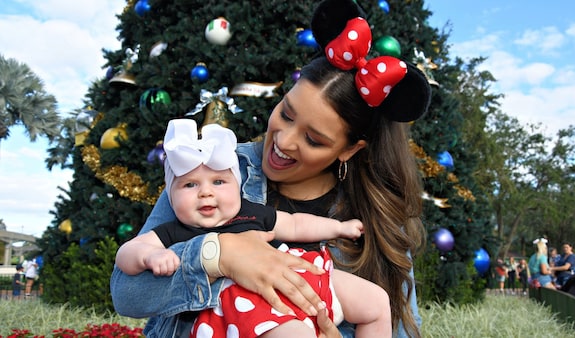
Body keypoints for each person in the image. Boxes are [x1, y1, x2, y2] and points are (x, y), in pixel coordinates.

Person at [110, 0, 432, 337]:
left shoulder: (375, 216)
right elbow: (127, 291)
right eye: (287, 113)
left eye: (313, 140)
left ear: (350, 149)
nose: (284, 140)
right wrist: (218, 255)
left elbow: (399, 325)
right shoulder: (214, 169)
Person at [116, 121, 391, 337]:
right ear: (170, 196)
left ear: (237, 185)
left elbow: (295, 225)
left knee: (376, 301)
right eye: (190, 185)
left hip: (304, 275)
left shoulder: (251, 212)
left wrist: (339, 227)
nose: (206, 193)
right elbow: (129, 254)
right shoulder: (176, 232)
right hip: (253, 307)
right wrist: (150, 256)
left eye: (219, 182)